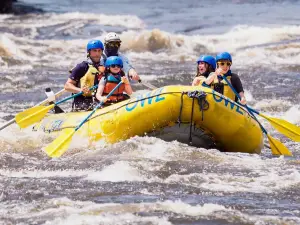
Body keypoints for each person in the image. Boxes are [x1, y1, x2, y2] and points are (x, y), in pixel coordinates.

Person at [64, 40, 105, 111]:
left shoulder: (104, 66)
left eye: (99, 51)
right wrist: (80, 90)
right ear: (89, 52)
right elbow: (67, 86)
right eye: (94, 51)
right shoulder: (82, 67)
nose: (97, 53)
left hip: (97, 99)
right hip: (82, 101)